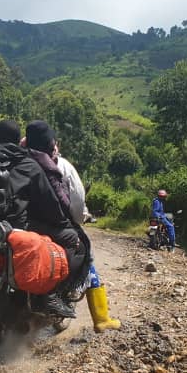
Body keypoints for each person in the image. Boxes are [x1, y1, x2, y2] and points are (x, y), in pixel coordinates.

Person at [0, 120, 78, 318]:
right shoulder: (28, 163)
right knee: (70, 239)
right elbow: (48, 202)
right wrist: (63, 223)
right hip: (16, 229)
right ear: (18, 140)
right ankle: (49, 294)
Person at [24, 120, 121, 333]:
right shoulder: (61, 165)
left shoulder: (17, 160)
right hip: (55, 228)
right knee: (88, 256)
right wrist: (79, 219)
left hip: (20, 226)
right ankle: (102, 319)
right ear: (51, 143)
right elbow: (76, 206)